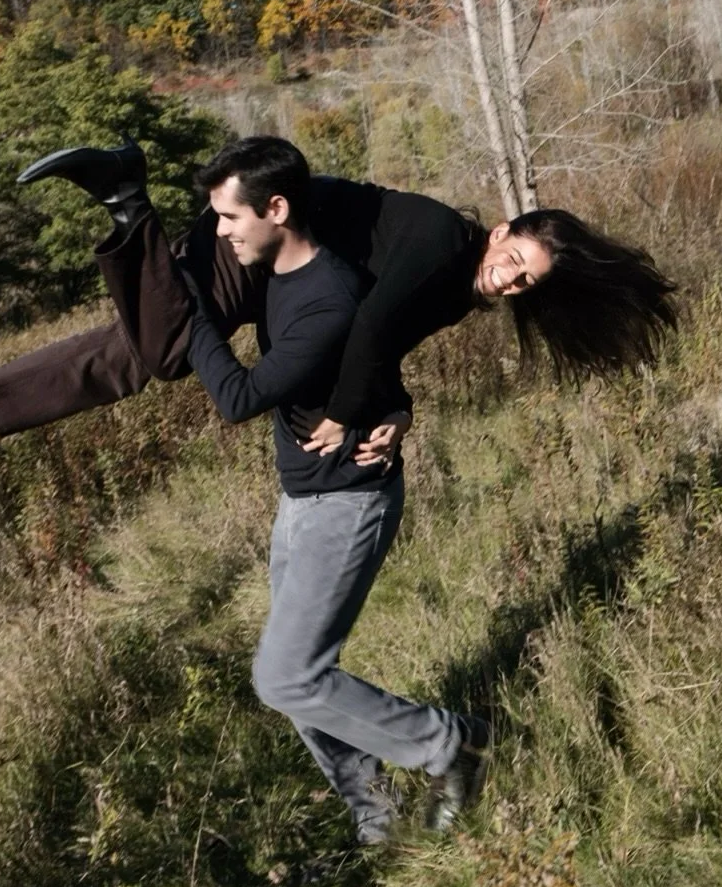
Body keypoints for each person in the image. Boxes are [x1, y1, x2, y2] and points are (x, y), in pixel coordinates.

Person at [0, 137, 678, 501]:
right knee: (162, 350)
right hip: (268, 234)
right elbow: (372, 328)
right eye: (515, 262)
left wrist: (397, 410)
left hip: (290, 275)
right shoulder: (450, 244)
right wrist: (346, 416)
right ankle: (123, 196)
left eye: (525, 284)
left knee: (145, 352)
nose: (509, 283)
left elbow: (382, 344)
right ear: (504, 230)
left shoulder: (453, 283)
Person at [159, 136, 488, 841]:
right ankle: (377, 820)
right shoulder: (283, 276)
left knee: (284, 677)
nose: (221, 234)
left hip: (349, 502)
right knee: (302, 674)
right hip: (302, 496)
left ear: (276, 209)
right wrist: (398, 410)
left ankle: (449, 744)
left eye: (229, 218)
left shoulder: (329, 294)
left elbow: (239, 397)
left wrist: (193, 322)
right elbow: (371, 362)